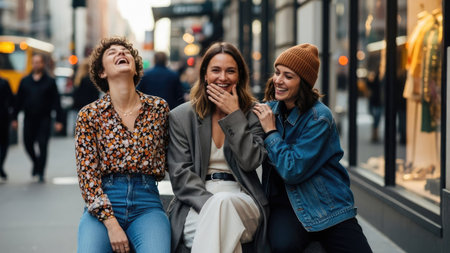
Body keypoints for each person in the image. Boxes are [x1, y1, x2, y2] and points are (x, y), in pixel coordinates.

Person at [253, 44, 372, 252]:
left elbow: (292, 169)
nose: (278, 80)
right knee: (281, 246)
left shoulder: (319, 118)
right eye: (277, 72)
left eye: (288, 76)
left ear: (304, 83)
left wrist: (271, 133)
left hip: (327, 205)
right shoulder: (269, 110)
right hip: (284, 205)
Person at [167, 42, 269, 253]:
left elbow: (251, 161)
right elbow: (180, 175)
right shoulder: (181, 116)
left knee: (222, 207)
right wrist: (211, 206)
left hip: (242, 198)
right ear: (204, 75)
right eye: (216, 70)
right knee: (223, 224)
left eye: (230, 71)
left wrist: (234, 116)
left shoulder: (252, 115)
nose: (223, 77)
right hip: (195, 201)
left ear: (239, 76)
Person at [75, 37, 171, 253]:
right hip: (104, 200)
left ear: (136, 66)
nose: (121, 53)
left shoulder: (158, 109)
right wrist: (111, 224)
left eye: (126, 52)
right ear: (102, 72)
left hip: (147, 203)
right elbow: (87, 177)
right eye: (112, 53)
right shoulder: (89, 115)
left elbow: (172, 158)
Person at [11, 53, 64, 182]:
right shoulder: (25, 81)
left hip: (44, 119)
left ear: (43, 64)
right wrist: (14, 118)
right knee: (28, 144)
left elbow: (56, 101)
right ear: (31, 64)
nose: (36, 64)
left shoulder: (50, 82)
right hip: (29, 118)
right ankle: (36, 163)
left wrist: (59, 120)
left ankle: (40, 172)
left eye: (38, 62)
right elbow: (18, 101)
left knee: (42, 144)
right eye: (34, 62)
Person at [0, 77, 14, 180]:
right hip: (4, 117)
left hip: (3, 119)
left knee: (4, 144)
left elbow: (11, 100)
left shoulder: (4, 82)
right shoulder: (4, 82)